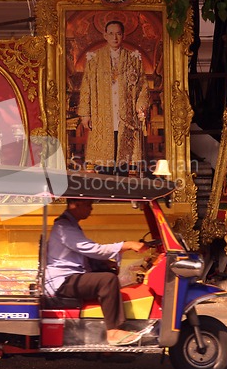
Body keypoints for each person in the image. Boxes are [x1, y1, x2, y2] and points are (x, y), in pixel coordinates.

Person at [44, 198, 148, 346]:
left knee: (108, 273)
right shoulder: (64, 228)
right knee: (107, 280)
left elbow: (82, 254)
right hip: (63, 282)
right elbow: (94, 249)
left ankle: (105, 331)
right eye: (88, 205)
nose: (91, 209)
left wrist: (105, 262)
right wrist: (127, 245)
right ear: (76, 205)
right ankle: (113, 332)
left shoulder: (70, 226)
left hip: (70, 277)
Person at [78, 20, 149, 173]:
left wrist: (140, 108)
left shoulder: (133, 59)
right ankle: (105, 189)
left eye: (118, 34)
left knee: (124, 154)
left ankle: (122, 189)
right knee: (104, 156)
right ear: (105, 35)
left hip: (126, 115)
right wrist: (85, 114)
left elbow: (142, 86)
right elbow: (86, 87)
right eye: (111, 34)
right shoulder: (95, 59)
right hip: (102, 114)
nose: (114, 38)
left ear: (123, 35)